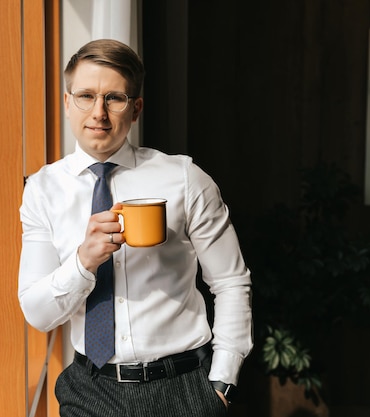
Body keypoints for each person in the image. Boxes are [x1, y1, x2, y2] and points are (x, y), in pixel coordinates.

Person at [18, 39, 253, 417]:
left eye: (114, 98)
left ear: (136, 108)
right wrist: (82, 263)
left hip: (182, 389)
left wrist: (222, 382)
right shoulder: (42, 191)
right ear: (66, 102)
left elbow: (230, 281)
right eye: (86, 96)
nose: (98, 112)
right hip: (89, 389)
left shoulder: (185, 179)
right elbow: (38, 313)